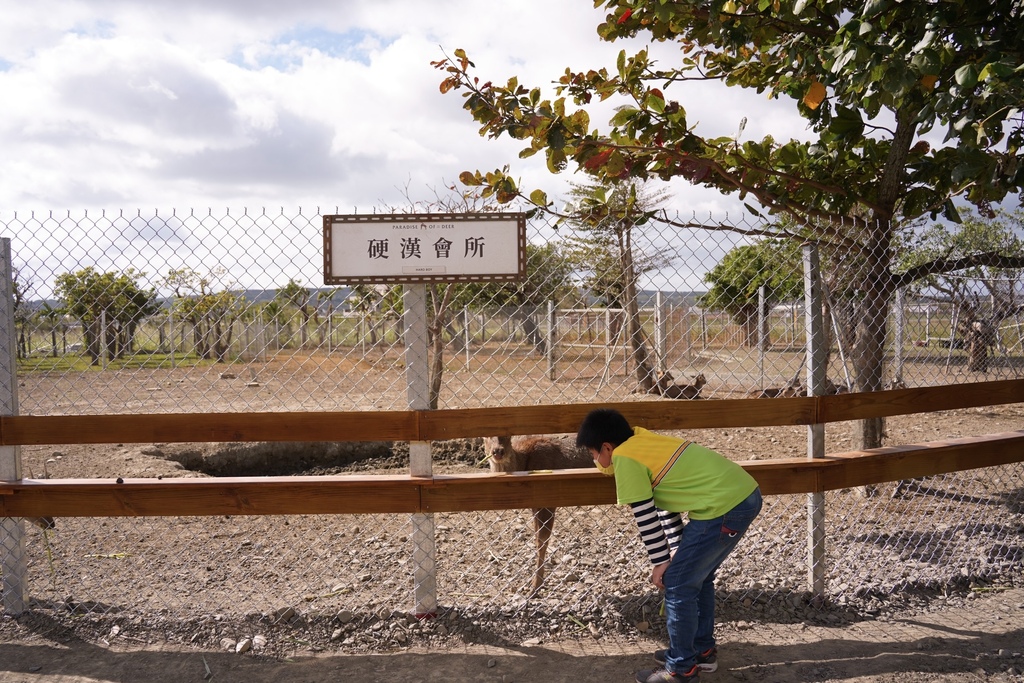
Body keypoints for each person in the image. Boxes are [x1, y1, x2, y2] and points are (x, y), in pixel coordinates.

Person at [576, 408, 762, 682]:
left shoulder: (625, 457)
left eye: (594, 455)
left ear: (607, 447)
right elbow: (664, 502)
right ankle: (701, 651)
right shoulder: (642, 442)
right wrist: (674, 549)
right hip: (740, 496)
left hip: (724, 508)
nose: (596, 462)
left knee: (677, 583)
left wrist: (662, 563)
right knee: (697, 577)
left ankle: (681, 669)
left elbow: (645, 514)